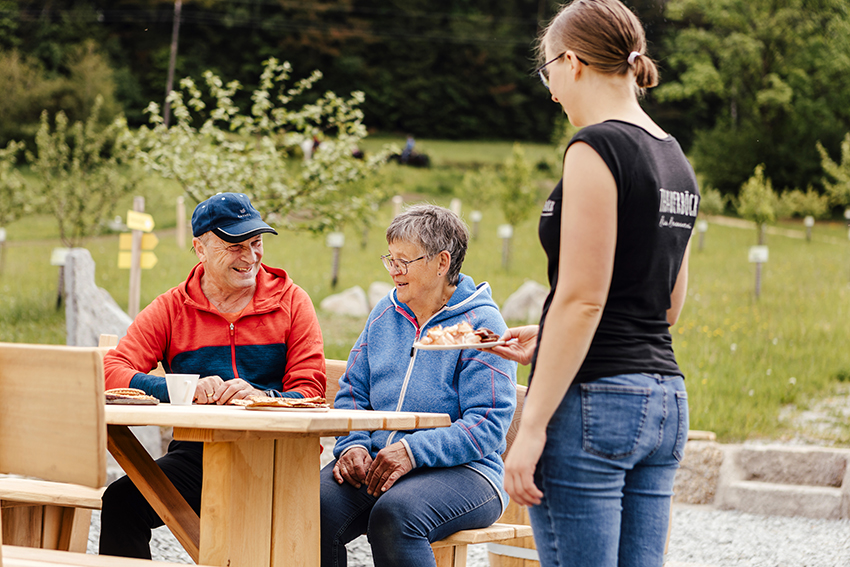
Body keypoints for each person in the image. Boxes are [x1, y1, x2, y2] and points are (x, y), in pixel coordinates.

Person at [487, 1, 699, 565]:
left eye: (548, 72)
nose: (551, 90)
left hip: (595, 402)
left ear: (573, 62)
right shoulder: (674, 157)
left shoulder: (595, 147)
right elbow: (667, 304)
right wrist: (550, 331)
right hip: (664, 402)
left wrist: (530, 429)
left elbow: (584, 300)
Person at [99, 192, 326, 559]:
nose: (250, 257)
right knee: (122, 501)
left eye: (256, 243)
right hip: (197, 457)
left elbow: (310, 390)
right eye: (234, 245)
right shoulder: (172, 307)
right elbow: (111, 371)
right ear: (200, 248)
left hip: (279, 461)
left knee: (322, 530)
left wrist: (261, 398)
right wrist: (181, 389)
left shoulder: (292, 301)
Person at [321, 204, 517, 567]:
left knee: (395, 516)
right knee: (310, 508)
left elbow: (488, 424)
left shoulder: (481, 324)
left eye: (404, 261)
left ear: (442, 262)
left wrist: (412, 452)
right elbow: (352, 391)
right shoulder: (384, 313)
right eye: (390, 258)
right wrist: (352, 445)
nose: (394, 270)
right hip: (379, 463)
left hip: (468, 472)